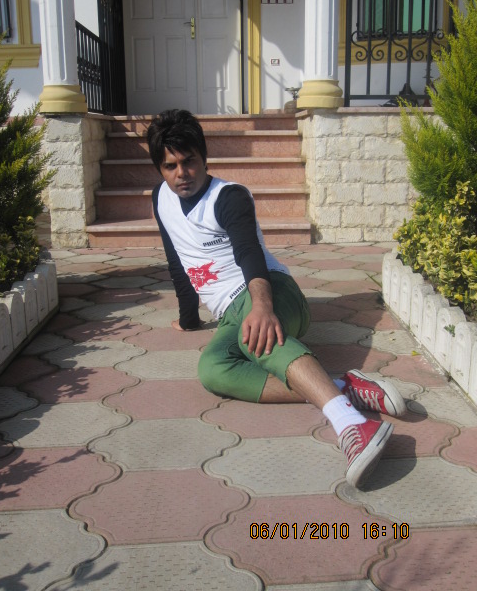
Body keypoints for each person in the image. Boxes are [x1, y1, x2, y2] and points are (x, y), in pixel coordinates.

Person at [147, 109, 406, 488]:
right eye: (170, 166)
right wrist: (189, 318)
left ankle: (352, 423)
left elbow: (248, 252)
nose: (181, 173)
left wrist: (263, 308)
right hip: (232, 313)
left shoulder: (229, 197)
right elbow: (179, 259)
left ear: (204, 158)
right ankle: (342, 387)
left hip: (273, 292)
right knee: (212, 370)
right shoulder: (161, 200)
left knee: (255, 337)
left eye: (190, 161)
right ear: (160, 168)